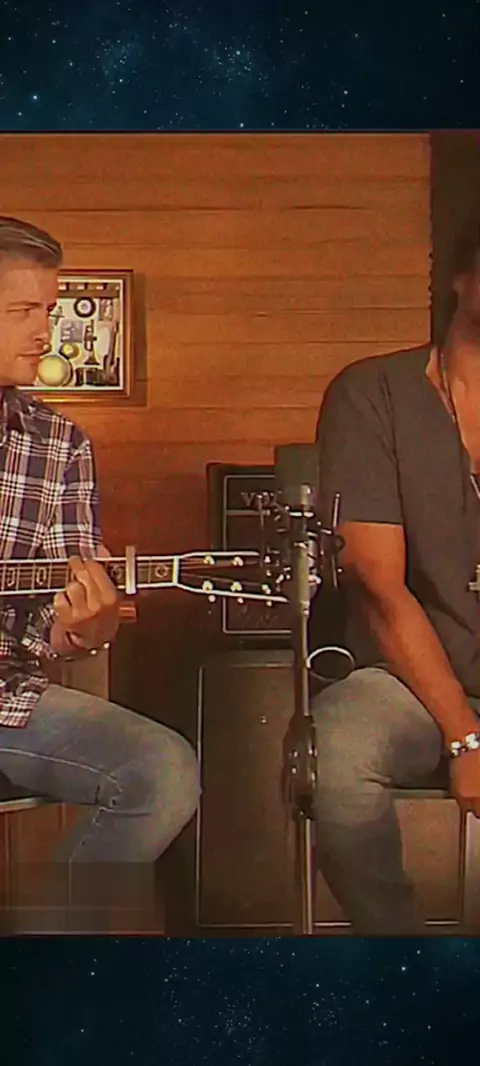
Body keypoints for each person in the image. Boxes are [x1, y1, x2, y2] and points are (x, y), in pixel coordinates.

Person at [0, 216, 200, 895]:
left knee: (161, 769)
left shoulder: (60, 444)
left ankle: (52, 940)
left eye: (48, 310)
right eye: (23, 311)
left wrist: (87, 627)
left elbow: (55, 622)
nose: (44, 331)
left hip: (5, 699)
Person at [312, 222, 480, 934]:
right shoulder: (373, 392)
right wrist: (466, 737)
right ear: (461, 280)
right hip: (413, 680)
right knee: (337, 747)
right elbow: (377, 584)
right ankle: (399, 961)